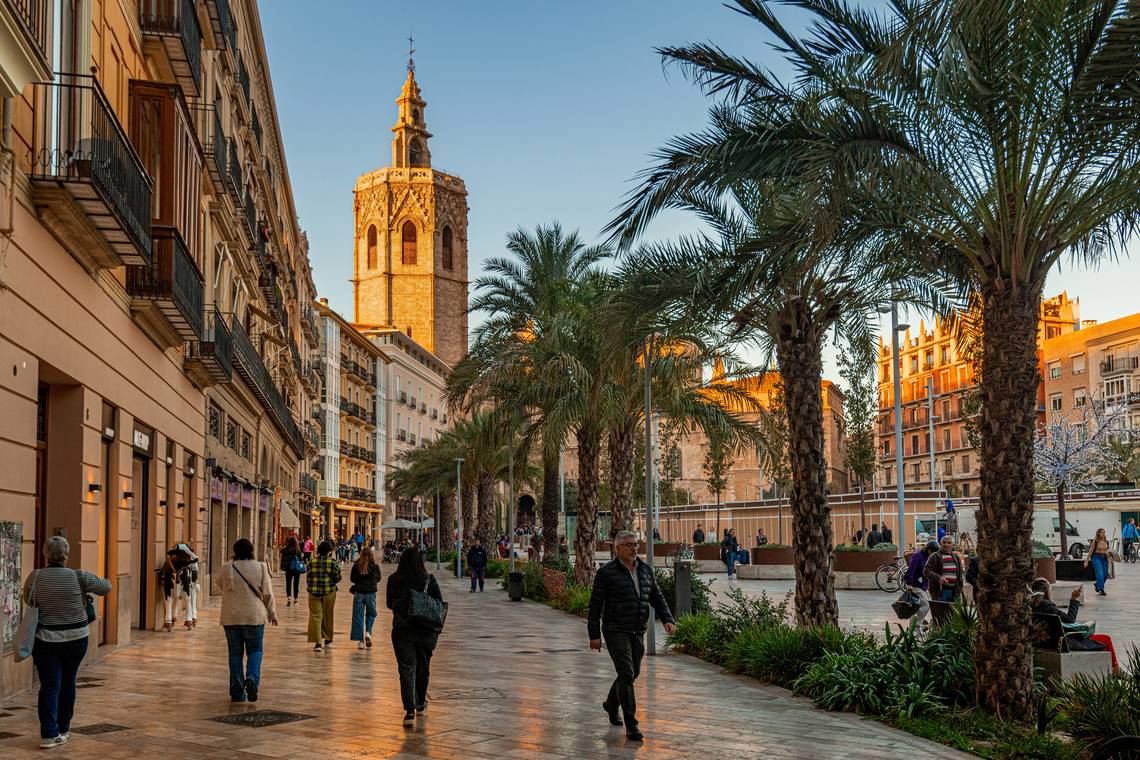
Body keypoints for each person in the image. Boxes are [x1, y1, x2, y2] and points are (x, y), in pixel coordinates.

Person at [21, 536, 112, 749]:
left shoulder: (35, 577)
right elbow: (106, 588)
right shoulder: (79, 576)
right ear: (66, 554)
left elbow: (28, 599)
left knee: (50, 686)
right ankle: (64, 729)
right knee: (69, 682)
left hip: (46, 640)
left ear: (45, 554)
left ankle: (48, 735)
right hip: (76, 639)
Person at [587, 530, 676, 742]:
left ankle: (611, 704)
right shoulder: (607, 573)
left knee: (632, 673)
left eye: (636, 544)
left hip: (638, 629)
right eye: (628, 545)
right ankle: (631, 724)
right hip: (615, 629)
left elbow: (656, 595)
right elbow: (595, 605)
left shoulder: (645, 570)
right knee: (626, 673)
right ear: (617, 548)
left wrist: (667, 619)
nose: (634, 548)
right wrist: (594, 634)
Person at [386, 547, 444, 726]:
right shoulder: (428, 580)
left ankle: (410, 710)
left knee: (406, 669)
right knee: (423, 667)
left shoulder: (394, 580)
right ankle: (420, 702)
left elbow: (389, 604)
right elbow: (438, 605)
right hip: (425, 631)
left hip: (403, 630)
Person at [220, 538, 278, 703]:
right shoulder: (260, 567)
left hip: (231, 617)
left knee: (235, 654)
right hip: (254, 617)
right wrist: (272, 613)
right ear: (252, 550)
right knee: (255, 651)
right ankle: (252, 678)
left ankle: (238, 692)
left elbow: (219, 585)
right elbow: (267, 593)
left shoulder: (227, 567)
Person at [1030, 577, 1118, 670]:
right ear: (1045, 591)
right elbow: (1070, 620)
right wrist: (1074, 599)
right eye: (1050, 588)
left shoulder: (1031, 607)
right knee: (1105, 639)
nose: (1052, 590)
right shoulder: (1048, 606)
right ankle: (1116, 669)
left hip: (1046, 643)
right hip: (1063, 643)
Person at [307, 540, 341, 651]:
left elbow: (308, 577)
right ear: (330, 551)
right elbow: (338, 577)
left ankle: (317, 643)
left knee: (315, 616)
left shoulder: (311, 562)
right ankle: (327, 639)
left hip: (314, 593)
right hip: (329, 592)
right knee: (328, 615)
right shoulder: (333, 562)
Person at [350, 546, 381, 650]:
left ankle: (360, 641)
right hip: (371, 594)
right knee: (371, 614)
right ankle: (367, 633)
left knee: (358, 616)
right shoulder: (375, 567)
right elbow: (379, 579)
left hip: (359, 593)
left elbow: (352, 579)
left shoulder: (356, 566)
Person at [903, 541, 938, 631]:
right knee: (925, 605)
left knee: (920, 605)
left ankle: (914, 626)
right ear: (930, 551)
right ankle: (915, 627)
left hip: (922, 585)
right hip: (915, 584)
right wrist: (909, 584)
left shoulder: (927, 557)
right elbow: (911, 569)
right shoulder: (918, 556)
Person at [924, 535, 964, 602]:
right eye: (944, 542)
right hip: (941, 591)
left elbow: (960, 574)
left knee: (954, 612)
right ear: (940, 543)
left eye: (949, 542)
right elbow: (926, 571)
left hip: (955, 591)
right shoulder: (934, 556)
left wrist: (960, 586)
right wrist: (939, 578)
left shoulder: (956, 558)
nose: (946, 544)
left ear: (952, 545)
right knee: (941, 611)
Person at [1084, 528, 1111, 596]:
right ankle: (1101, 589)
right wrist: (1086, 561)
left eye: (1104, 532)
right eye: (1101, 532)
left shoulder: (1106, 541)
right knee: (1100, 574)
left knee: (1105, 574)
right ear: (1098, 533)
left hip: (1104, 558)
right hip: (1096, 557)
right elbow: (1090, 551)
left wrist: (1109, 554)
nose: (1103, 534)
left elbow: (1108, 550)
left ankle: (1097, 585)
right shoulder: (1095, 541)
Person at [279, 536, 303, 607]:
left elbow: (282, 559)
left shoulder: (285, 550)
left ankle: (289, 598)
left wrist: (282, 567)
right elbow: (301, 560)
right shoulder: (297, 550)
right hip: (296, 569)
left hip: (288, 569)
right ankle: (295, 598)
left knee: (288, 583)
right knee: (296, 583)